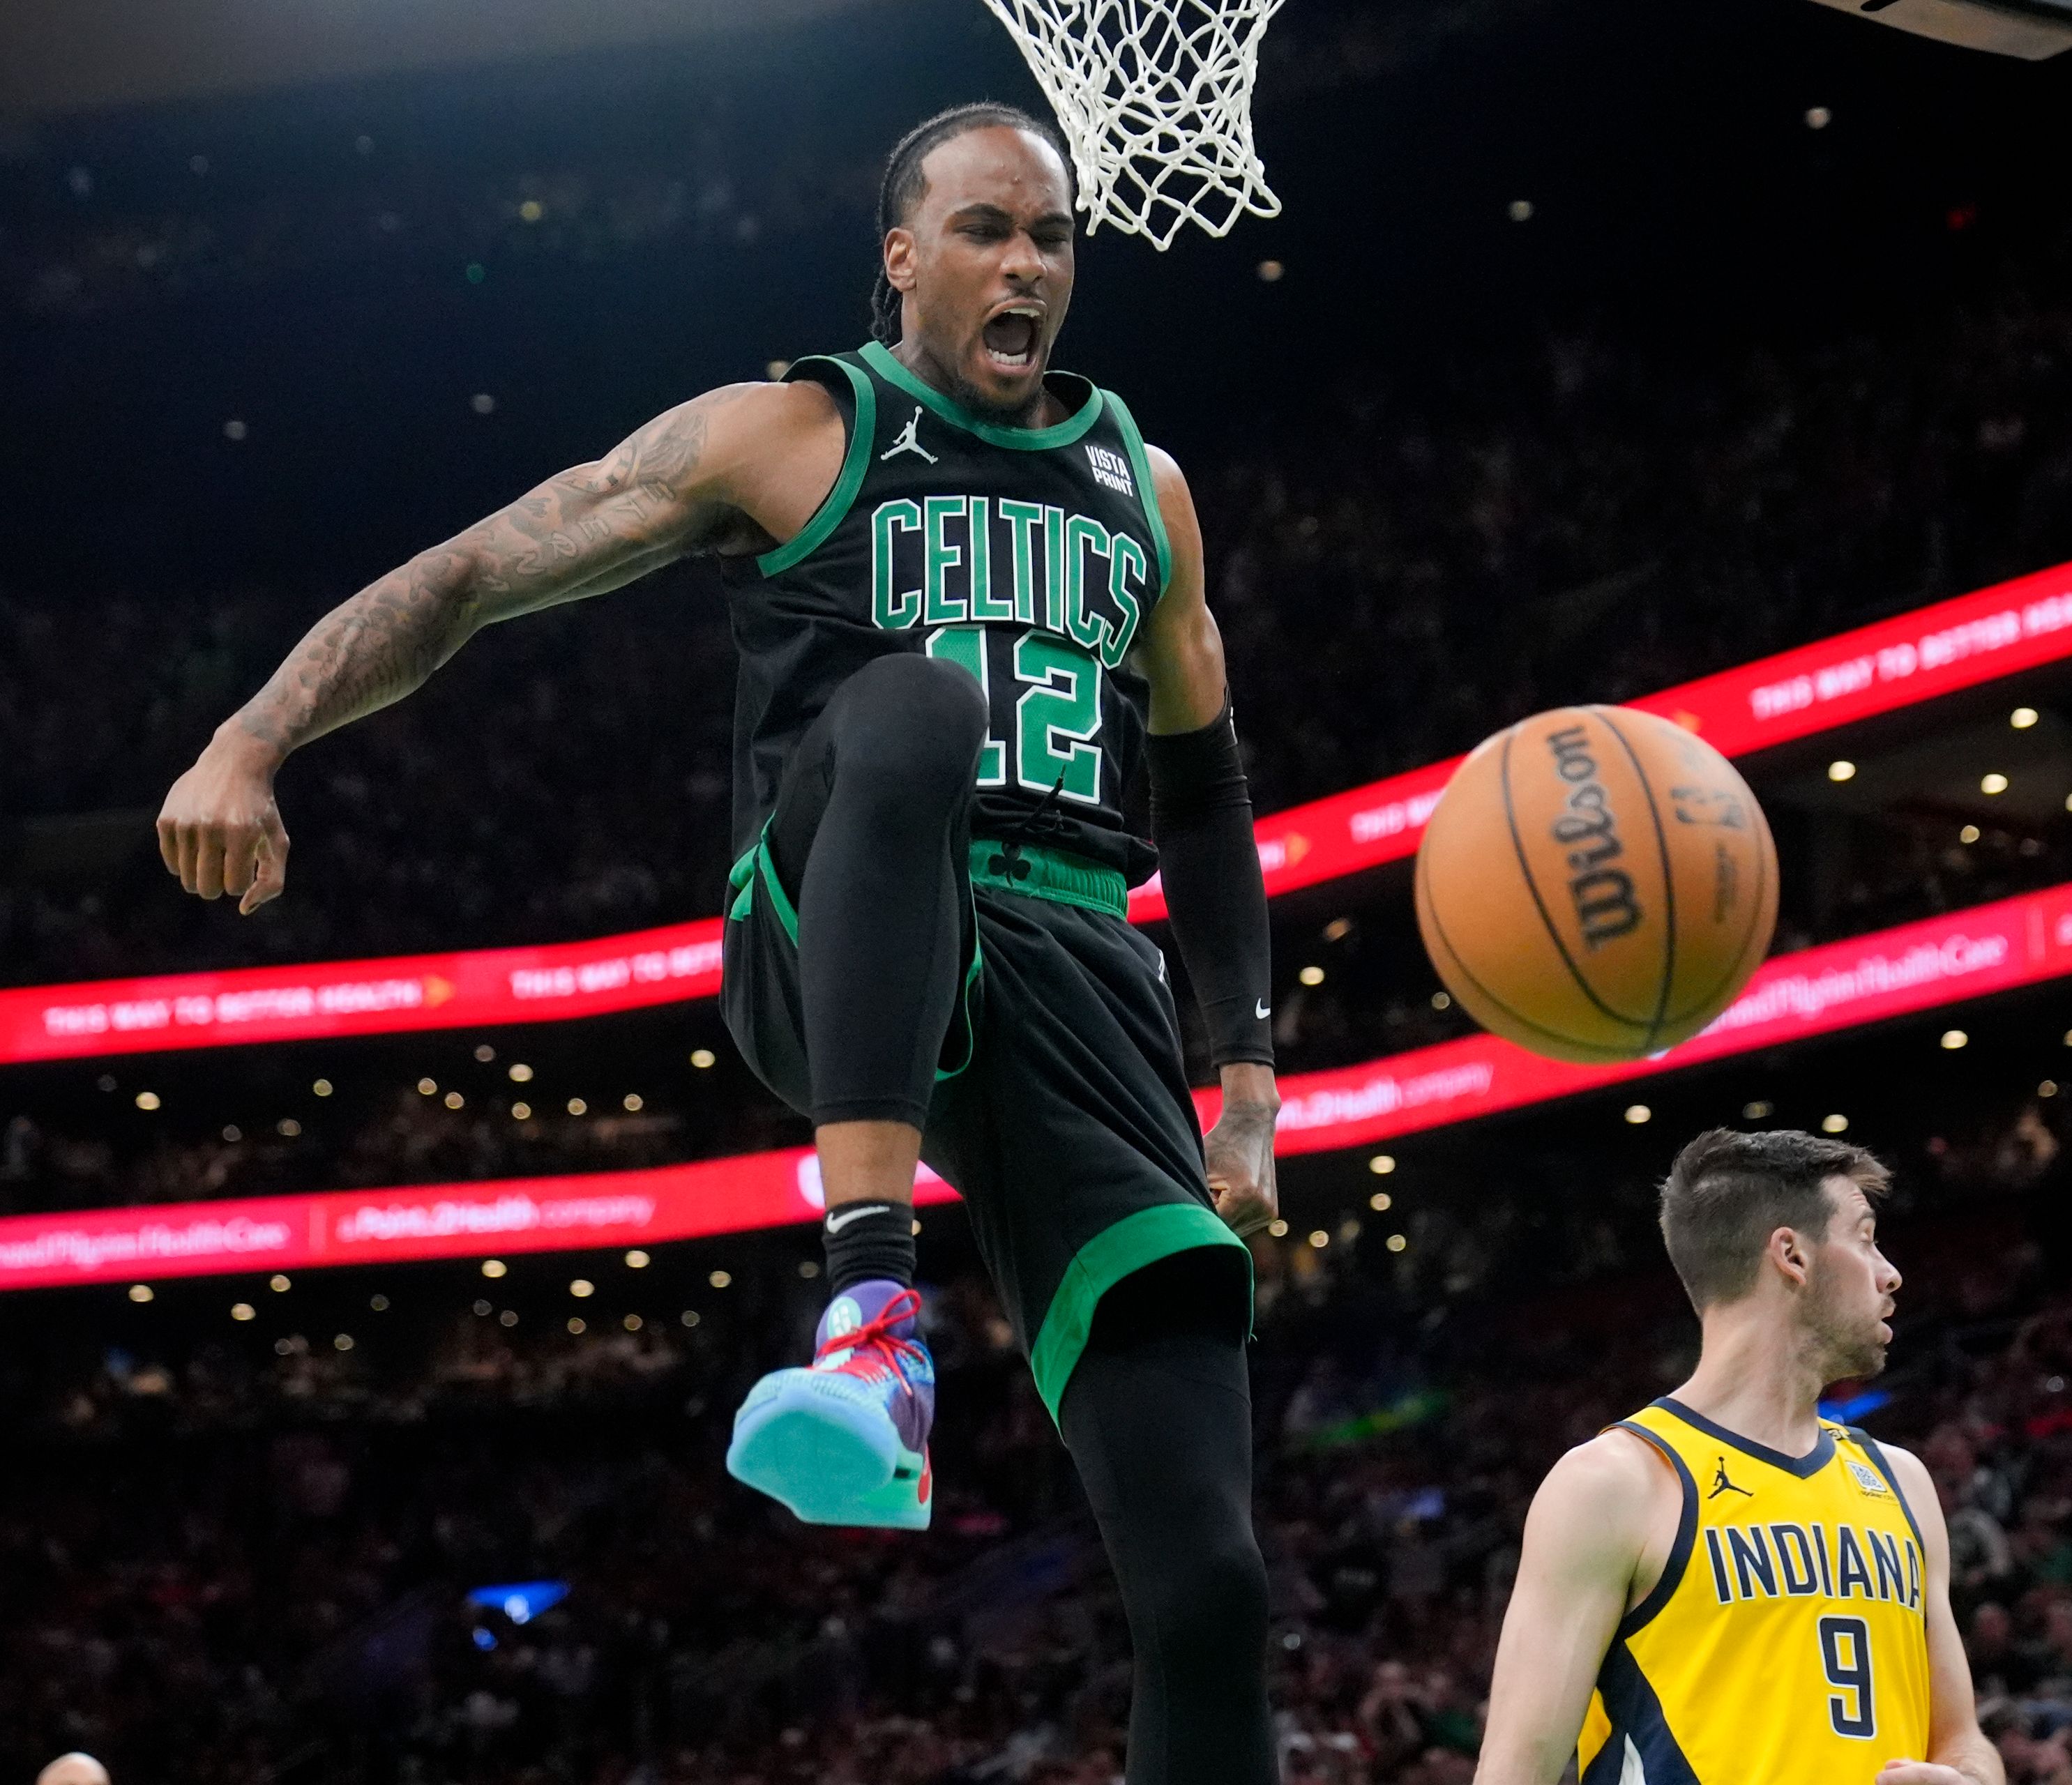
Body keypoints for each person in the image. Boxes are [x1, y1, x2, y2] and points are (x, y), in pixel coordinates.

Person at [152, 102, 1280, 1783]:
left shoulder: (1147, 484)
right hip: (833, 913)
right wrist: (251, 735)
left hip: (1081, 981)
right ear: (900, 257)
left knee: (1214, 1591)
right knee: (913, 706)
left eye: (1050, 237)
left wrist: (1245, 1079)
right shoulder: (793, 432)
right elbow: (473, 573)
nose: (1026, 263)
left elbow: (1201, 791)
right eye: (985, 229)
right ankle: (870, 1317)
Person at [1472, 1127, 2004, 1785]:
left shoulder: (1903, 1483)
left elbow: (1962, 1739)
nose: (1890, 1271)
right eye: (1864, 1238)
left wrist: (1971, 1779)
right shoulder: (1616, 1485)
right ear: (1792, 1256)